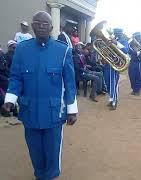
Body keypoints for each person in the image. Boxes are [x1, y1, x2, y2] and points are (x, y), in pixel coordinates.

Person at [1, 11, 77, 179]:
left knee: (52, 150)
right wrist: (10, 100)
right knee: (35, 150)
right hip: (30, 111)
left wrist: (72, 110)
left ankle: (50, 176)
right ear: (33, 25)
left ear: (51, 28)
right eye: (38, 23)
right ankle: (40, 175)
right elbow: (15, 78)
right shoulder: (22, 49)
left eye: (45, 24)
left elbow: (69, 83)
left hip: (54, 112)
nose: (42, 27)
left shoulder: (62, 50)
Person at [105, 28, 129, 110]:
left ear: (121, 34)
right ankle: (111, 98)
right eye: (115, 33)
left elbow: (126, 50)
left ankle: (114, 101)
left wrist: (116, 43)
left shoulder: (124, 41)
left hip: (116, 64)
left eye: (118, 34)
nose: (116, 35)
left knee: (113, 83)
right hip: (108, 63)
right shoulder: (111, 40)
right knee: (107, 82)